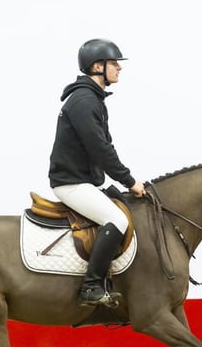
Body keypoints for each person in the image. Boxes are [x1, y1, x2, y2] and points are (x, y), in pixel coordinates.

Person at [48, 38, 147, 307]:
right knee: (117, 221)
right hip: (70, 183)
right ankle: (91, 286)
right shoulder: (83, 101)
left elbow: (106, 146)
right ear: (96, 66)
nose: (119, 68)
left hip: (84, 182)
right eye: (114, 63)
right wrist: (130, 180)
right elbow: (101, 150)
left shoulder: (93, 99)